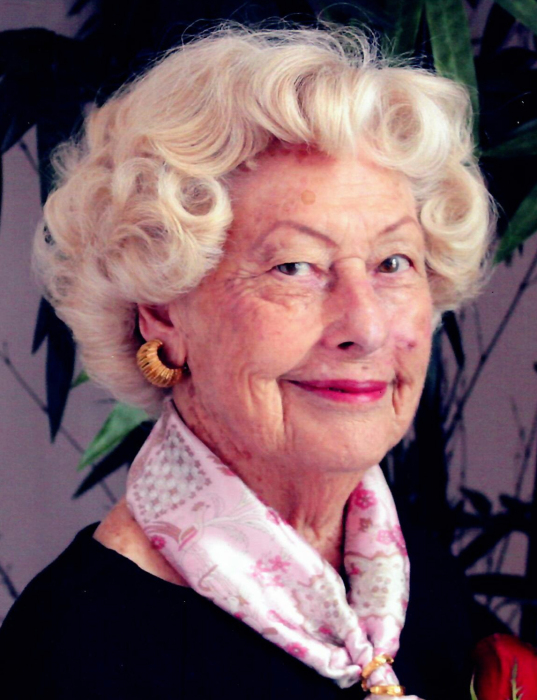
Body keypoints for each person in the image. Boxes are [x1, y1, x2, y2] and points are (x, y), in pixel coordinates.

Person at [0, 24, 493, 699]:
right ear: (162, 314)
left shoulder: (414, 583)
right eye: (294, 267)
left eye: (393, 263)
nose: (366, 326)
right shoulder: (81, 649)